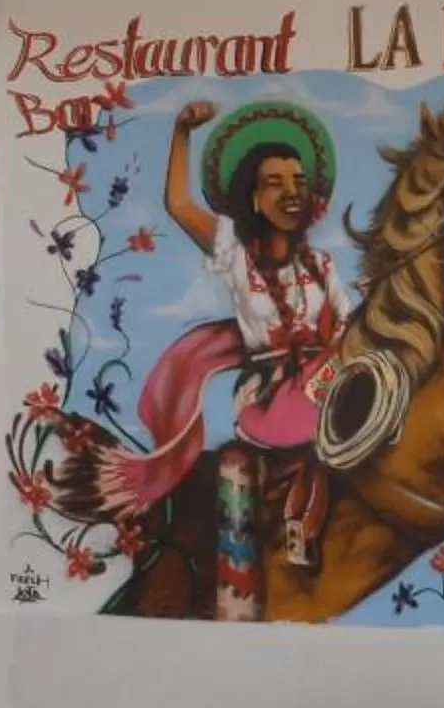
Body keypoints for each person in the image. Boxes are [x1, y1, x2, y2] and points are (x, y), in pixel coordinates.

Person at [77, 98, 350, 567]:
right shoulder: (237, 253)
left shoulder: (322, 265)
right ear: (253, 198)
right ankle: (296, 523)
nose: (291, 192)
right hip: (268, 395)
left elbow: (346, 327)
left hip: (326, 383)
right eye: (275, 183)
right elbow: (179, 205)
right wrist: (182, 132)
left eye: (299, 182)